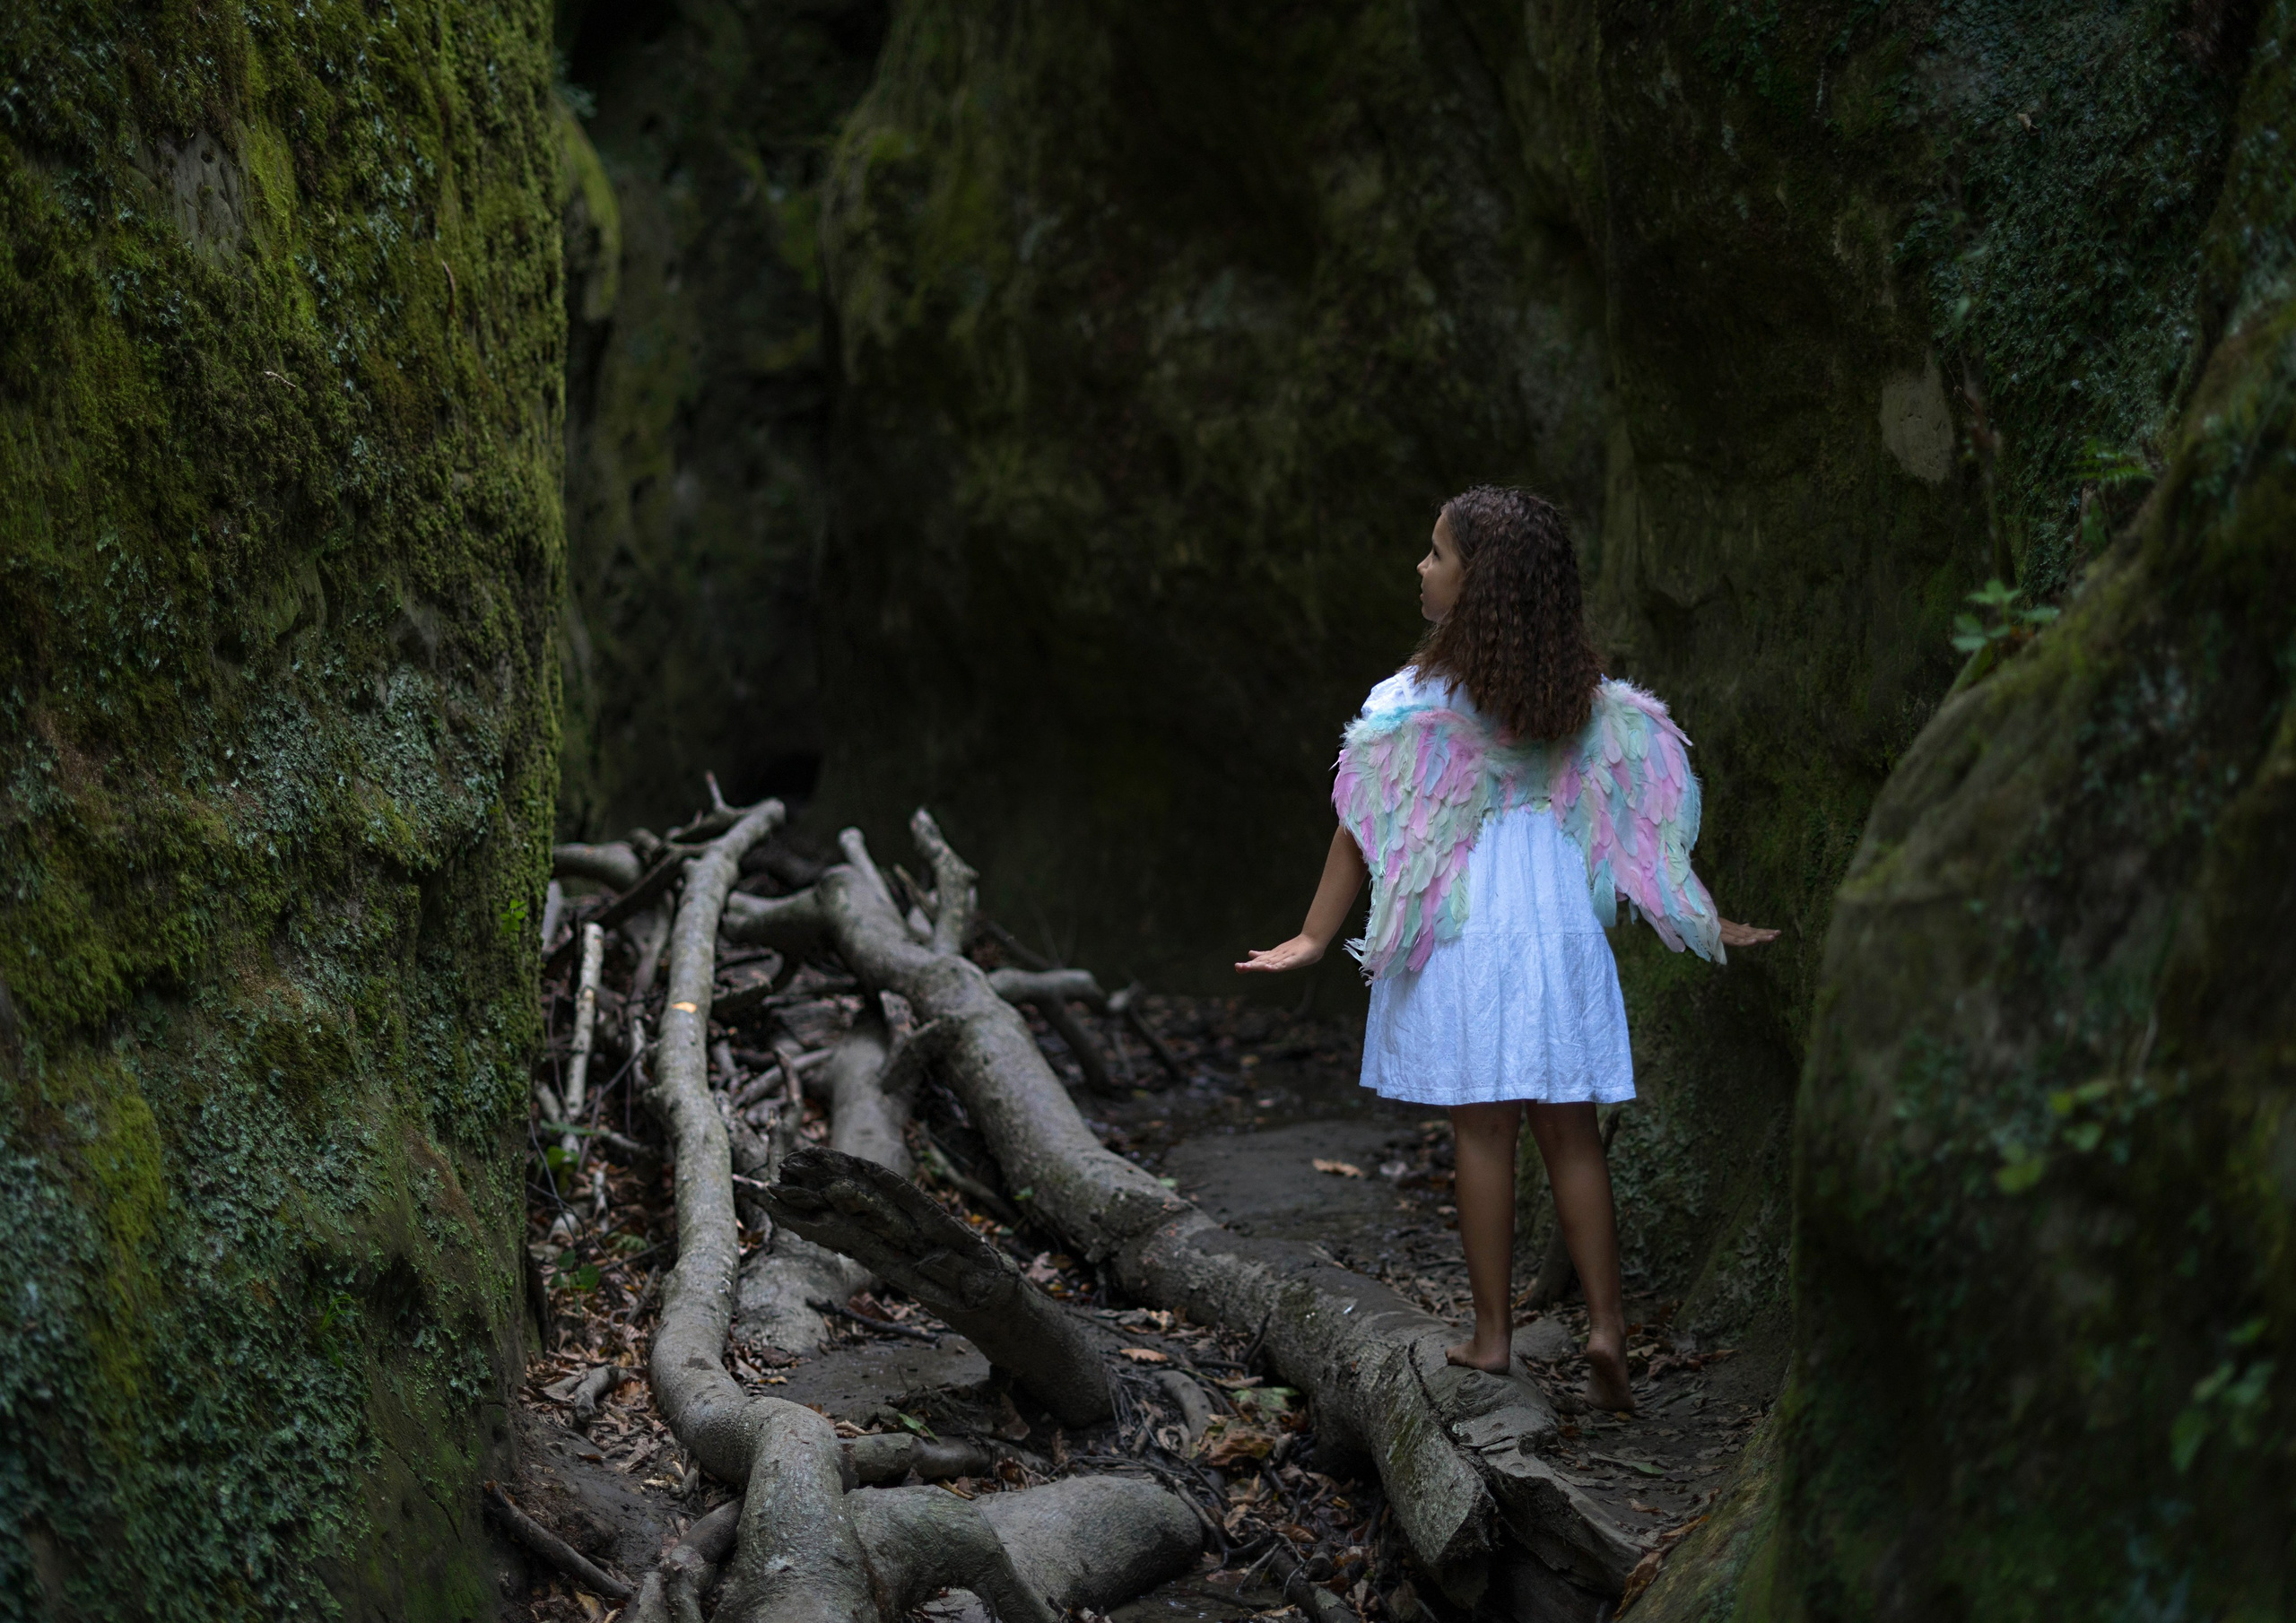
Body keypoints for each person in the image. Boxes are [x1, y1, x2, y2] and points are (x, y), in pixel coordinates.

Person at [1237, 486, 1775, 1412]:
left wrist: (1316, 932)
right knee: (1569, 1130)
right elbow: (1641, 822)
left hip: (1469, 917)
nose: (1421, 565)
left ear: (1475, 585)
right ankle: (1607, 1329)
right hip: (1559, 915)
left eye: (1435, 553)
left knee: (1483, 1130)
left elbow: (1364, 827)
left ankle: (1491, 1339)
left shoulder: (1410, 703)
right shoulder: (1587, 703)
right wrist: (1696, 914)